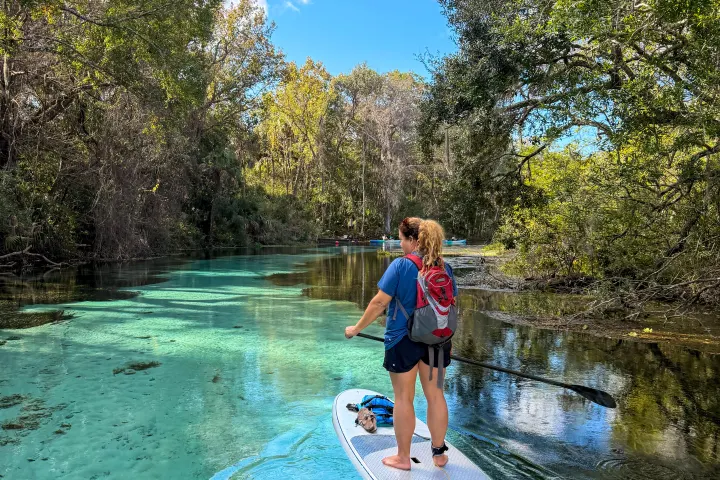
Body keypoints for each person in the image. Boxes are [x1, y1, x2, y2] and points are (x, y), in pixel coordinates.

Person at [345, 217, 457, 471]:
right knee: (436, 396)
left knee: (404, 399)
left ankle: (403, 458)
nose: (401, 244)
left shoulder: (401, 266)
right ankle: (439, 454)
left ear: (413, 240)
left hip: (401, 341)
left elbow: (378, 303)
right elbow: (451, 305)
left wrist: (356, 329)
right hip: (438, 343)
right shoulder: (445, 267)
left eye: (402, 239)